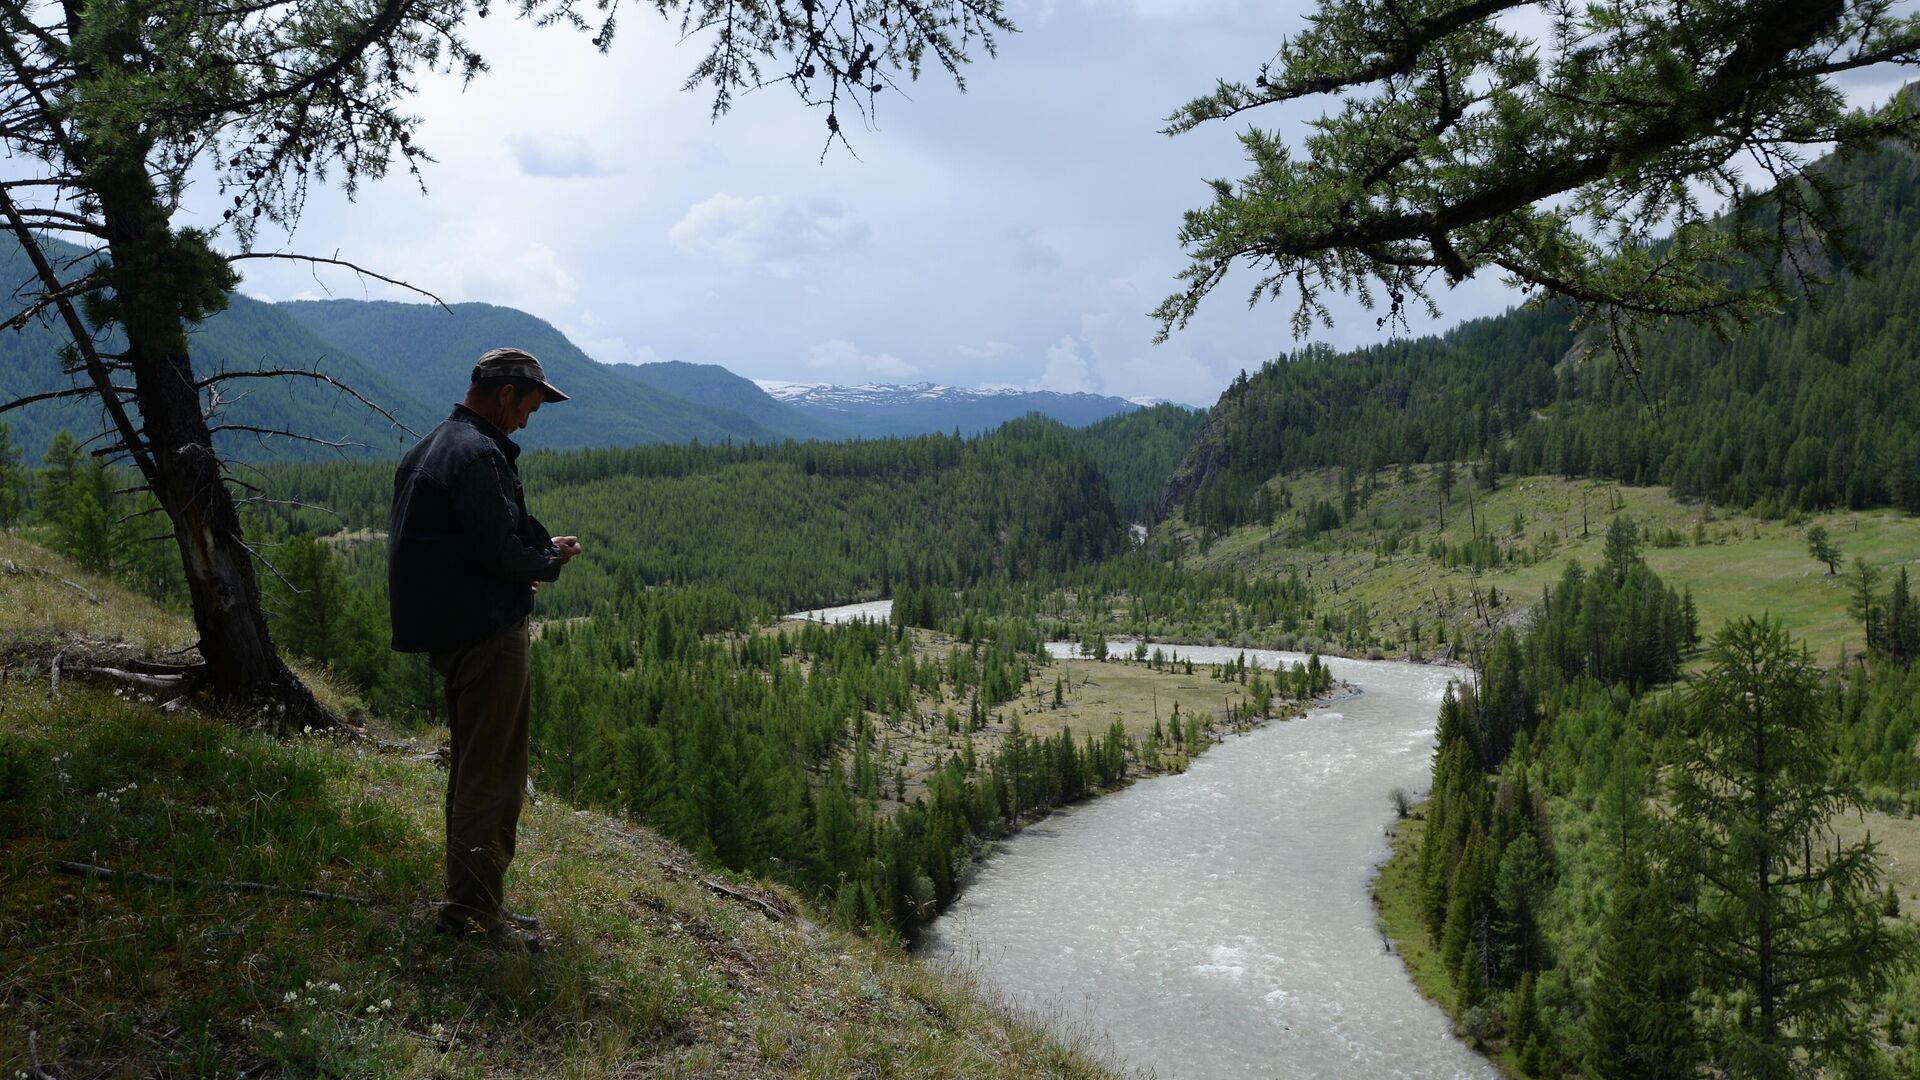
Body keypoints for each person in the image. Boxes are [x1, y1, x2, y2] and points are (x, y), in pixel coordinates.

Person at [388, 347, 584, 950]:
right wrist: (548, 559)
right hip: (486, 636)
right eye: (529, 405)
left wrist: (526, 553)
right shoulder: (478, 455)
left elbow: (467, 544)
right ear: (506, 395)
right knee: (494, 776)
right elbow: (499, 553)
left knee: (474, 768)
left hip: (452, 633)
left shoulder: (433, 446)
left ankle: (468, 901)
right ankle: (471, 919)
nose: (528, 419)